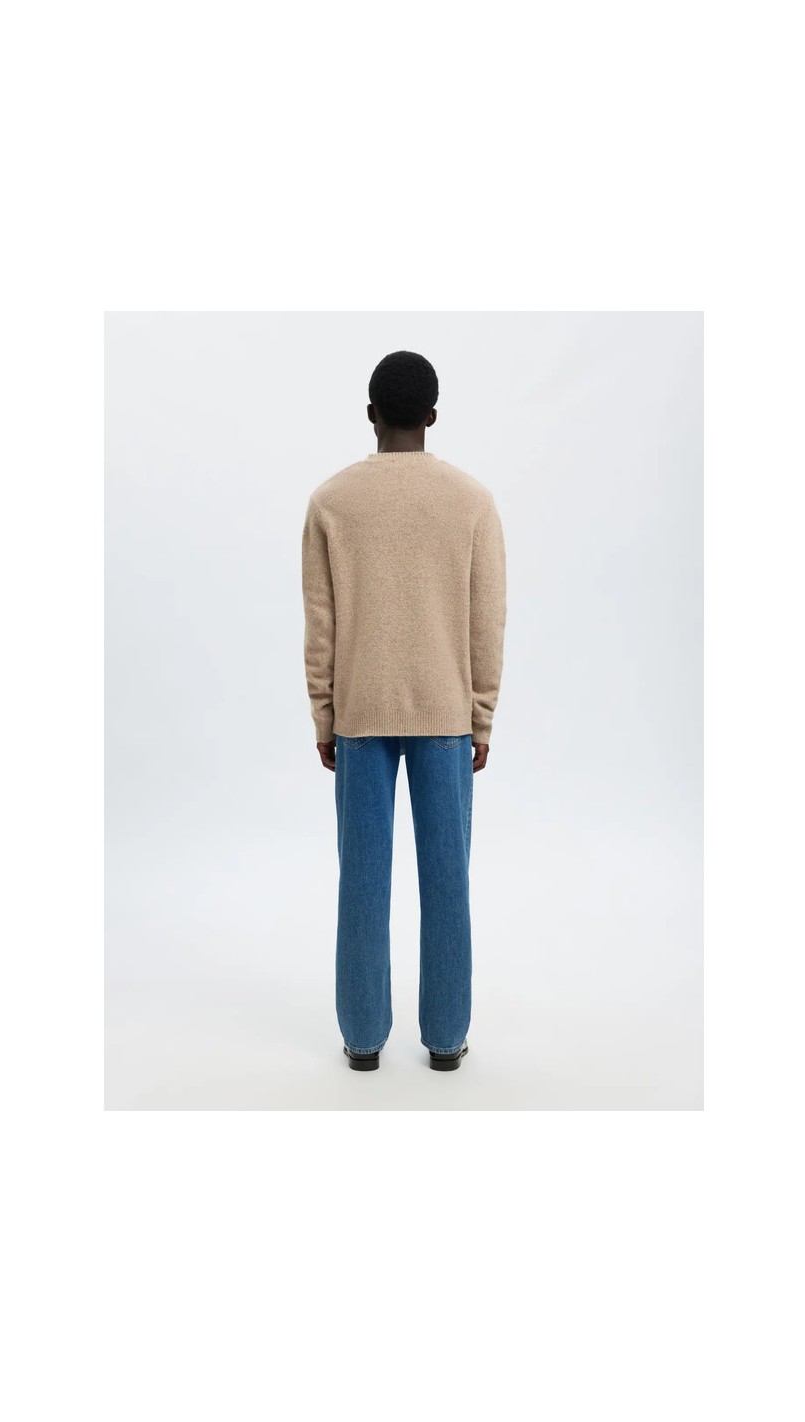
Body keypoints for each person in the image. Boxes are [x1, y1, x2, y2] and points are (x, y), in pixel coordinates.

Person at [301, 350, 507, 1072]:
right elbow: (487, 621)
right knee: (448, 883)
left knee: (362, 884)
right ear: (432, 416)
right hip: (445, 714)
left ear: (370, 414)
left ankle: (362, 1039)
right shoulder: (471, 501)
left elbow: (321, 624)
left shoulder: (331, 502)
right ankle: (446, 1040)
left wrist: (324, 715)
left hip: (360, 712)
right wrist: (481, 715)